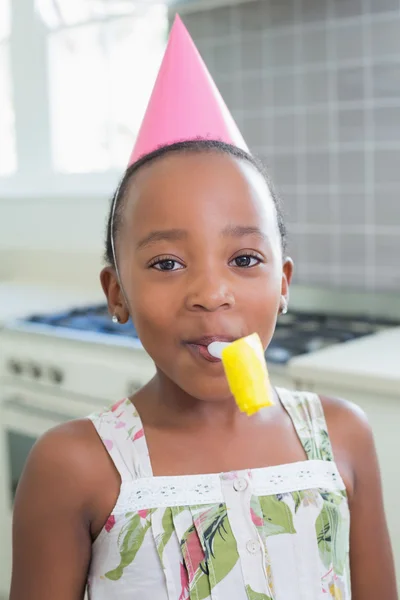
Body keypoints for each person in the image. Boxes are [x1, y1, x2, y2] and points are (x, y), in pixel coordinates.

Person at [10, 16, 397, 600]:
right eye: (167, 263)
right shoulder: (73, 467)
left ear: (284, 281)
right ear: (117, 293)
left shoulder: (342, 436)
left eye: (244, 260)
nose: (212, 293)